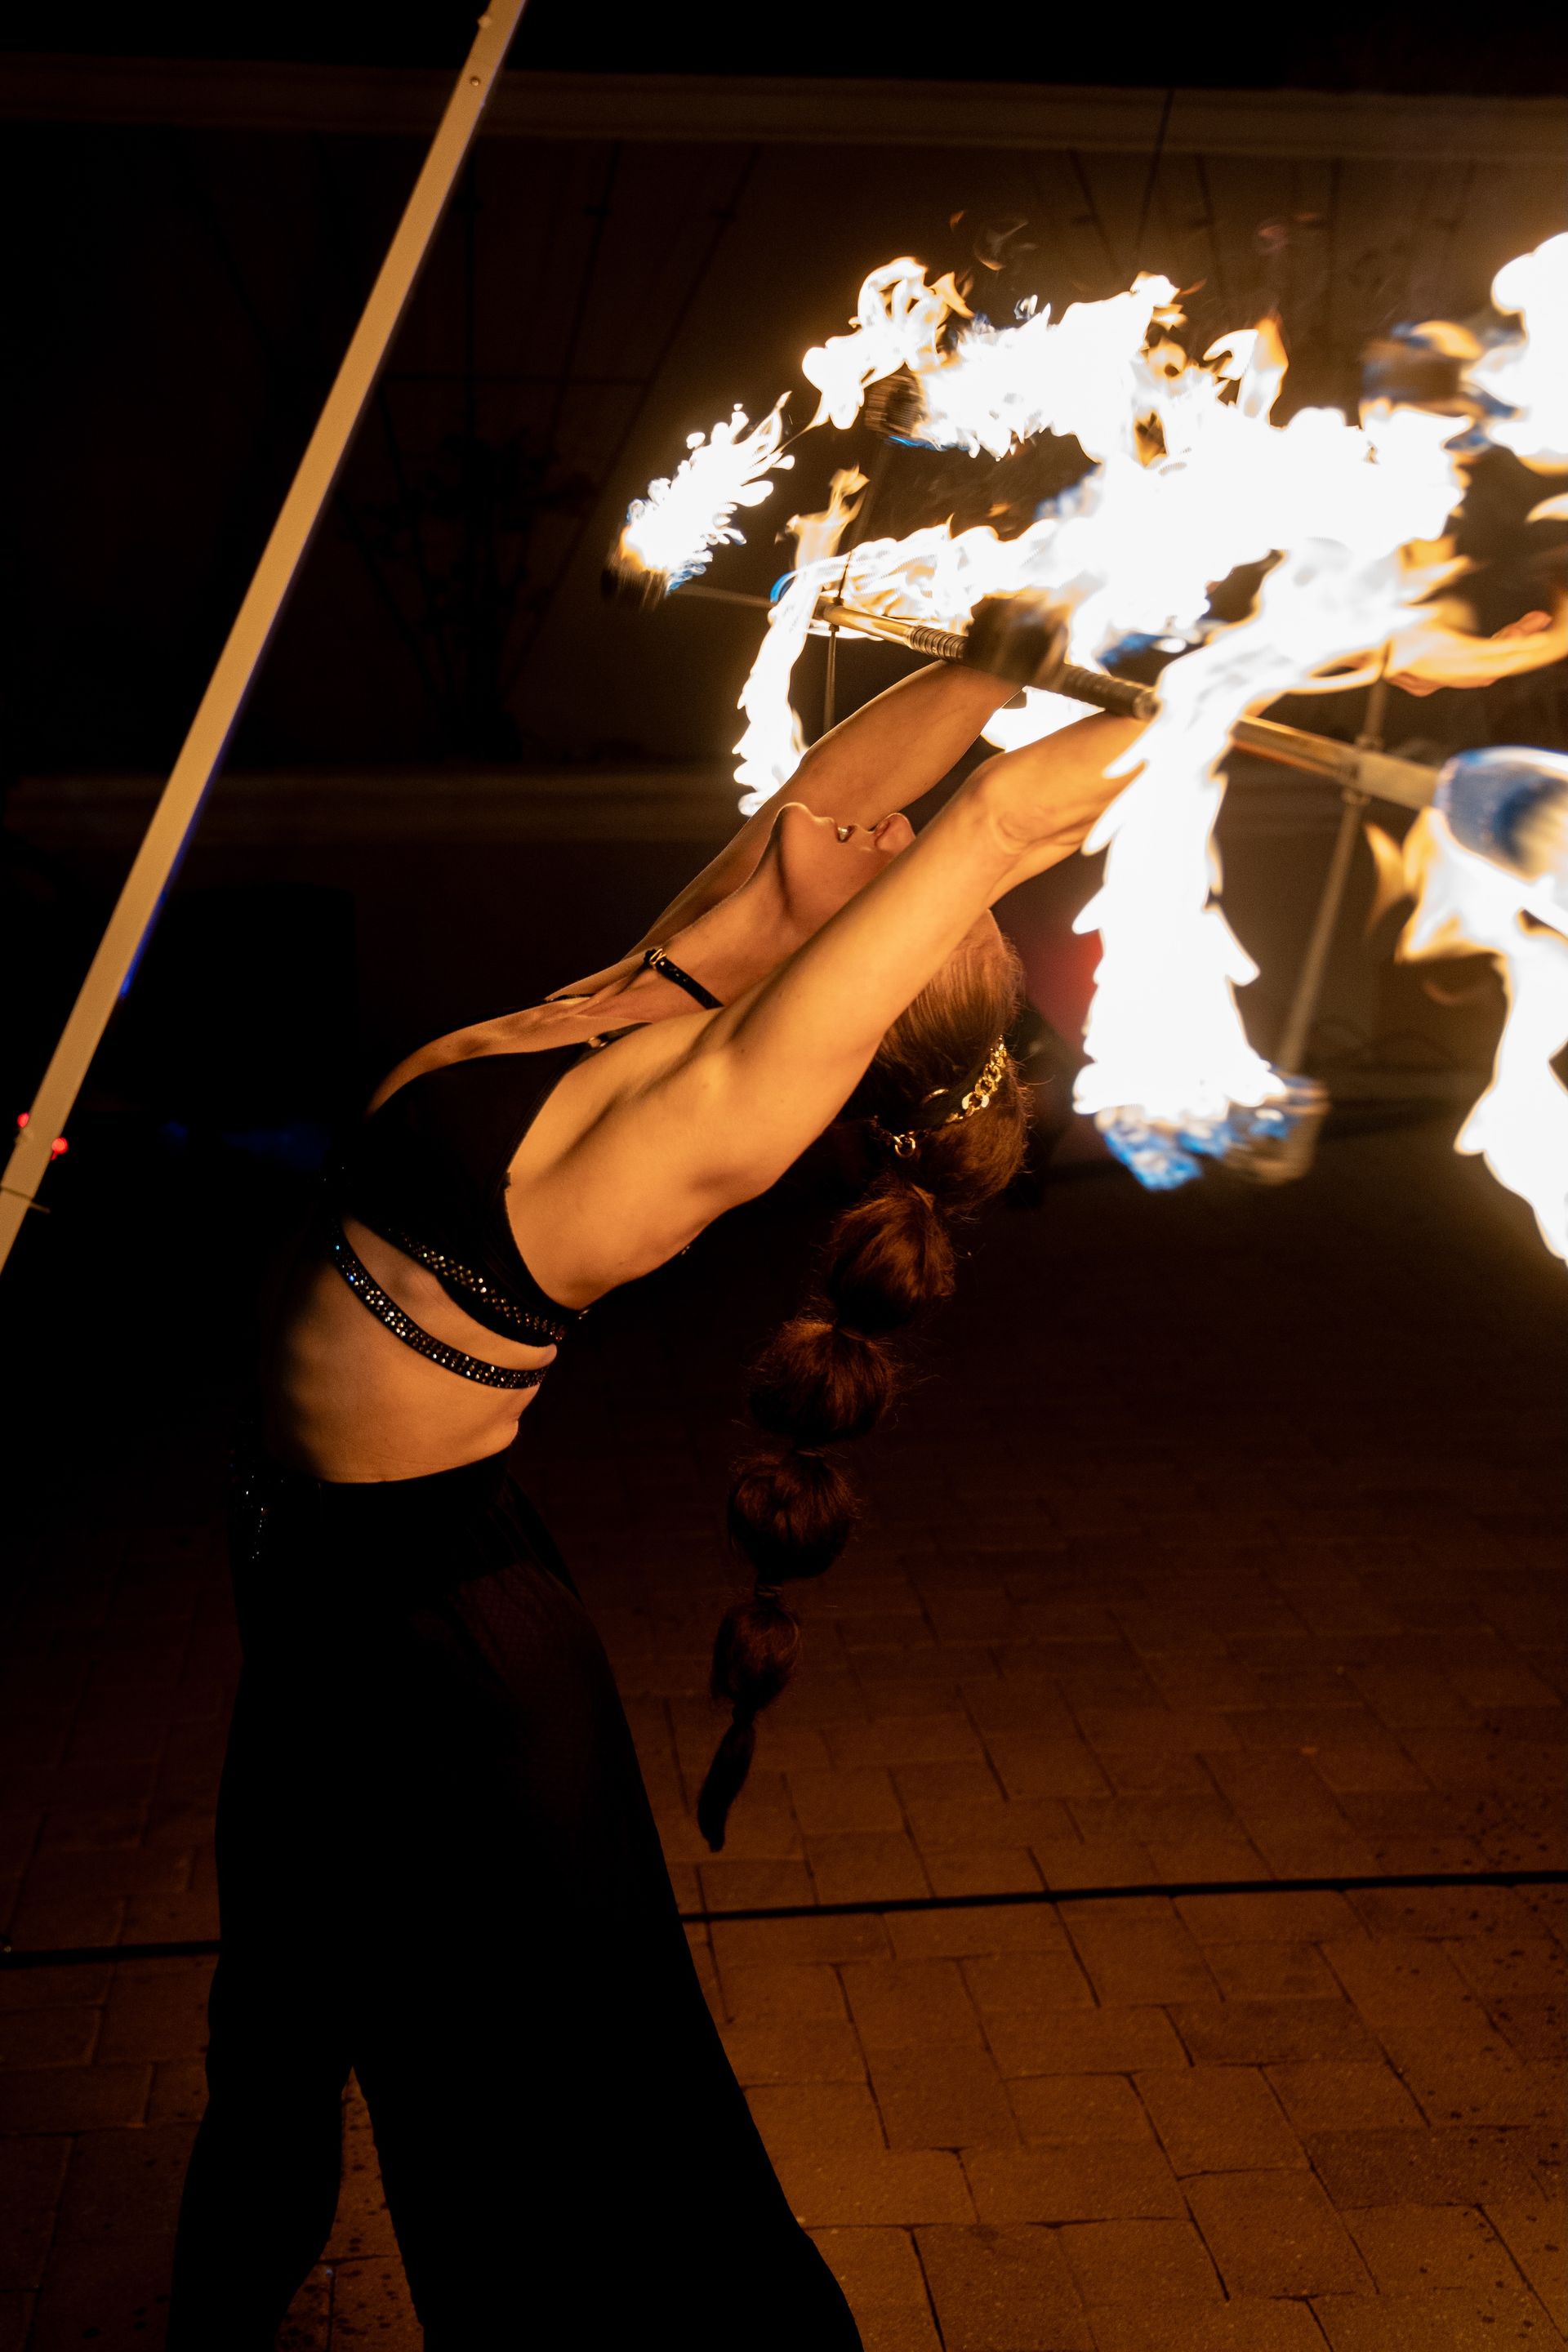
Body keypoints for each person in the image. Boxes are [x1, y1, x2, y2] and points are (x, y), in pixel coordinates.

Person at [167, 655, 1144, 2350]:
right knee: (277, 2008)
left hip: (438, 1649)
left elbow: (988, 821)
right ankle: (217, 2307)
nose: (879, 828)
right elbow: (846, 802)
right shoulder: (659, 981)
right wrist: (1002, 643)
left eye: (906, 879)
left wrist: (1229, 675)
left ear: (876, 965)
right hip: (316, 1581)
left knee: (557, 2124)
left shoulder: (702, 1112)